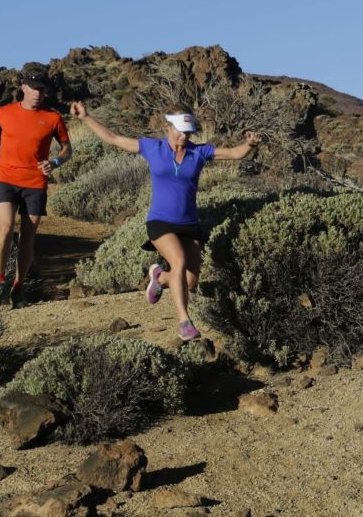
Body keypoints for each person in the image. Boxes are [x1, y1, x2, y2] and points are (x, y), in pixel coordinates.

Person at [69, 101, 259, 339]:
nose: (183, 136)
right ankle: (184, 322)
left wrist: (249, 144)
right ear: (167, 127)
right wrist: (85, 117)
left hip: (189, 225)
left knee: (190, 281)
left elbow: (234, 153)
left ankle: (160, 277)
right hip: (160, 222)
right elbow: (114, 138)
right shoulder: (153, 148)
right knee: (178, 261)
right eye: (179, 130)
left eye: (187, 132)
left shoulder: (199, 152)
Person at [0, 63, 71, 305]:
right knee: (6, 227)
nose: (37, 93)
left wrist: (55, 162)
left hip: (35, 183)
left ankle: (18, 286)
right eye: (33, 88)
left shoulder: (53, 118)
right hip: (7, 179)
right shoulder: (4, 113)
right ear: (23, 88)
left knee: (27, 238)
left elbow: (67, 149)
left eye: (41, 89)